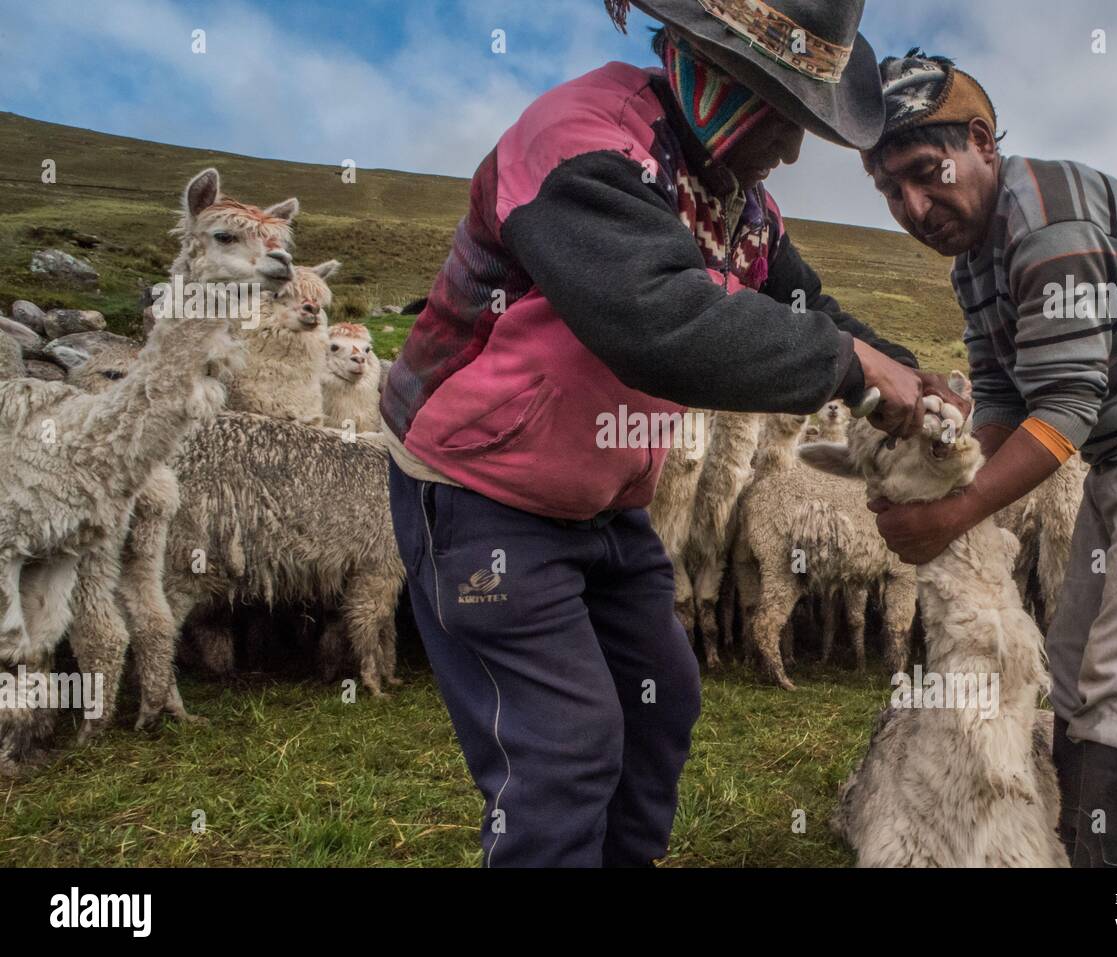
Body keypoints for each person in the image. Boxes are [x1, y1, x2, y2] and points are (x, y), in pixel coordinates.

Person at [380, 2, 962, 867]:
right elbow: (659, 321)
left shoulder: (737, 204)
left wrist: (906, 372)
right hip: (480, 491)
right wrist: (851, 368)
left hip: (606, 502)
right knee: (562, 747)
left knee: (659, 704)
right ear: (712, 74)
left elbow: (804, 308)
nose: (794, 149)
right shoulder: (582, 146)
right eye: (781, 115)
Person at [860, 50, 1117, 866]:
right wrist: (938, 472)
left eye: (923, 171)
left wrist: (949, 515)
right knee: (1075, 663)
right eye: (888, 190)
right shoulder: (977, 259)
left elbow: (1067, 407)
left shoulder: (1047, 222)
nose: (913, 205)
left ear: (981, 141)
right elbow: (1010, 402)